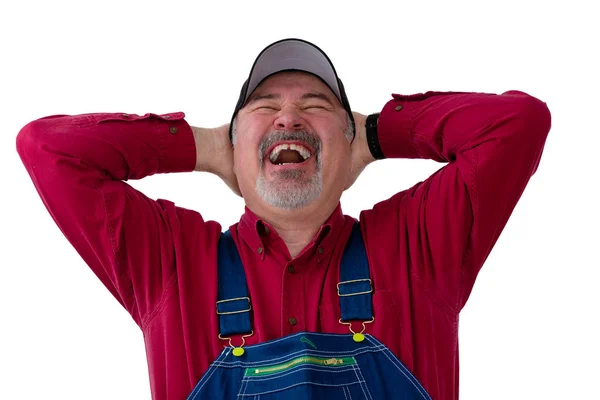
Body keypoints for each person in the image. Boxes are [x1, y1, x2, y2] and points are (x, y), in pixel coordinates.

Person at [16, 38, 551, 399]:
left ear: (349, 143)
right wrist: (203, 147)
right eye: (263, 106)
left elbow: (517, 123)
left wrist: (377, 135)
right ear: (233, 145)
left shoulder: (421, 244)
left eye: (316, 104)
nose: (289, 117)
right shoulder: (170, 262)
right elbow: (47, 148)